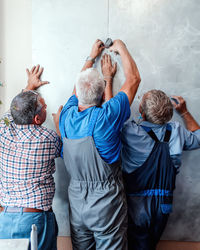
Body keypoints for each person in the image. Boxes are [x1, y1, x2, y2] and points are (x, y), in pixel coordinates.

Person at [52, 39, 141, 250]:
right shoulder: (106, 117)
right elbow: (134, 79)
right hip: (106, 204)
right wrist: (121, 47)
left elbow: (77, 89)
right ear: (103, 95)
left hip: (76, 202)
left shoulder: (65, 116)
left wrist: (91, 57)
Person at [121, 90, 200, 250]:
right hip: (163, 207)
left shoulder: (130, 131)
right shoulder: (176, 130)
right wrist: (184, 112)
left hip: (136, 206)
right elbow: (198, 138)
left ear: (141, 113)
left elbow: (109, 121)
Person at [0, 65, 62, 250]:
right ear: (37, 119)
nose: (45, 108)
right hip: (35, 221)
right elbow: (65, 148)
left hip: (6, 219)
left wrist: (29, 86)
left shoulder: (3, 131)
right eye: (44, 107)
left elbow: (13, 111)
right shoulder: (49, 138)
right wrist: (59, 125)